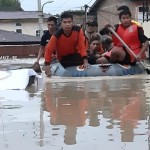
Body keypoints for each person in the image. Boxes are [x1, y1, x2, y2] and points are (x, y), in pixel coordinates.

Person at [44, 11, 89, 77]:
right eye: (65, 22)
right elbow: (49, 50)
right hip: (64, 59)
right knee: (81, 59)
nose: (67, 24)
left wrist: (85, 60)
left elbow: (81, 46)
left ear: (72, 22)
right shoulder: (56, 35)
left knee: (90, 57)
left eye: (69, 22)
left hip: (76, 55)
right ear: (61, 23)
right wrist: (47, 65)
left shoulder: (78, 30)